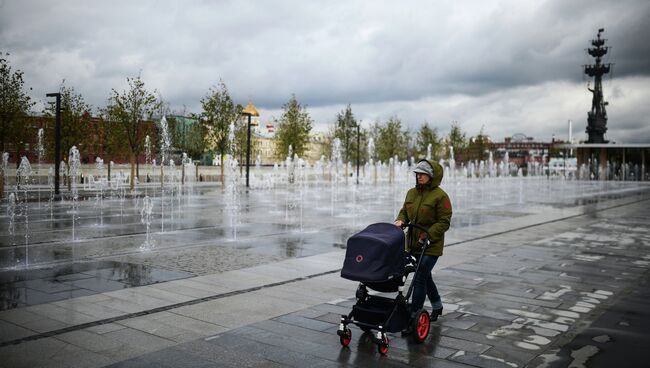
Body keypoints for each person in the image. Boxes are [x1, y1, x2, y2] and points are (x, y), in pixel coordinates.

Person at [394, 159, 452, 325]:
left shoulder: (441, 196)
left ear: (431, 176)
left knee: (419, 277)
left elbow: (444, 221)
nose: (419, 176)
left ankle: (414, 315)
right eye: (417, 173)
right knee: (425, 276)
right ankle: (437, 305)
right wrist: (400, 220)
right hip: (412, 244)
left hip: (431, 246)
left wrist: (427, 235)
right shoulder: (411, 193)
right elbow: (404, 211)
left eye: (423, 174)